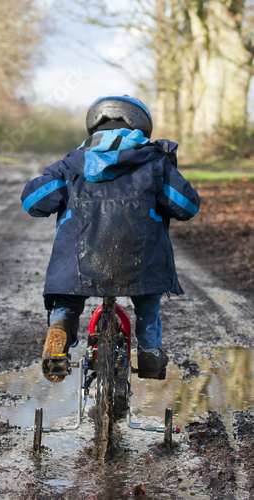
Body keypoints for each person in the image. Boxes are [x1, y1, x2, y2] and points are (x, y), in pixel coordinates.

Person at [21, 95, 200, 382]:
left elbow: (33, 201)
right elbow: (187, 206)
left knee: (68, 295)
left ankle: (61, 326)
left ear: (94, 126)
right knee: (147, 299)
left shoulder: (71, 164)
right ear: (141, 126)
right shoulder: (154, 162)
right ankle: (150, 352)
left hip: (80, 260)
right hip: (139, 260)